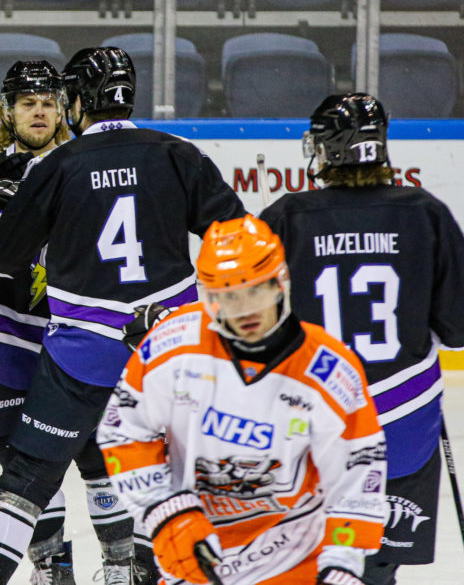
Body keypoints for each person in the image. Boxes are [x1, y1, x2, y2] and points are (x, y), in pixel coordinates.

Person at [0, 46, 245, 585]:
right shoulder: (175, 153)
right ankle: (143, 572)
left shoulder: (59, 166)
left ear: (76, 100)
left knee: (27, 480)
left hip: (82, 353)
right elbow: (240, 242)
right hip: (168, 349)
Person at [97, 214, 388, 585]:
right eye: (230, 296)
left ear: (279, 283)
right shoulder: (173, 346)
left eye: (256, 289)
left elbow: (357, 472)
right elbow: (124, 432)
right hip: (196, 550)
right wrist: (168, 512)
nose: (246, 309)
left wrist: (342, 563)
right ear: (210, 298)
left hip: (295, 555)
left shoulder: (329, 370)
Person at [260, 93, 464, 584]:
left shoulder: (287, 216)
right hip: (405, 420)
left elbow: (249, 326)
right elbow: (457, 329)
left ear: (329, 149)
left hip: (314, 419)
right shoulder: (426, 212)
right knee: (374, 565)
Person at [0, 60, 138, 584]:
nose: (40, 112)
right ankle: (53, 571)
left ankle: (122, 566)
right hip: (8, 348)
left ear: (64, 108)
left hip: (80, 345)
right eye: (27, 103)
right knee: (30, 468)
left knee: (101, 462)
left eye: (49, 102)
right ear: (7, 112)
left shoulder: (84, 170)